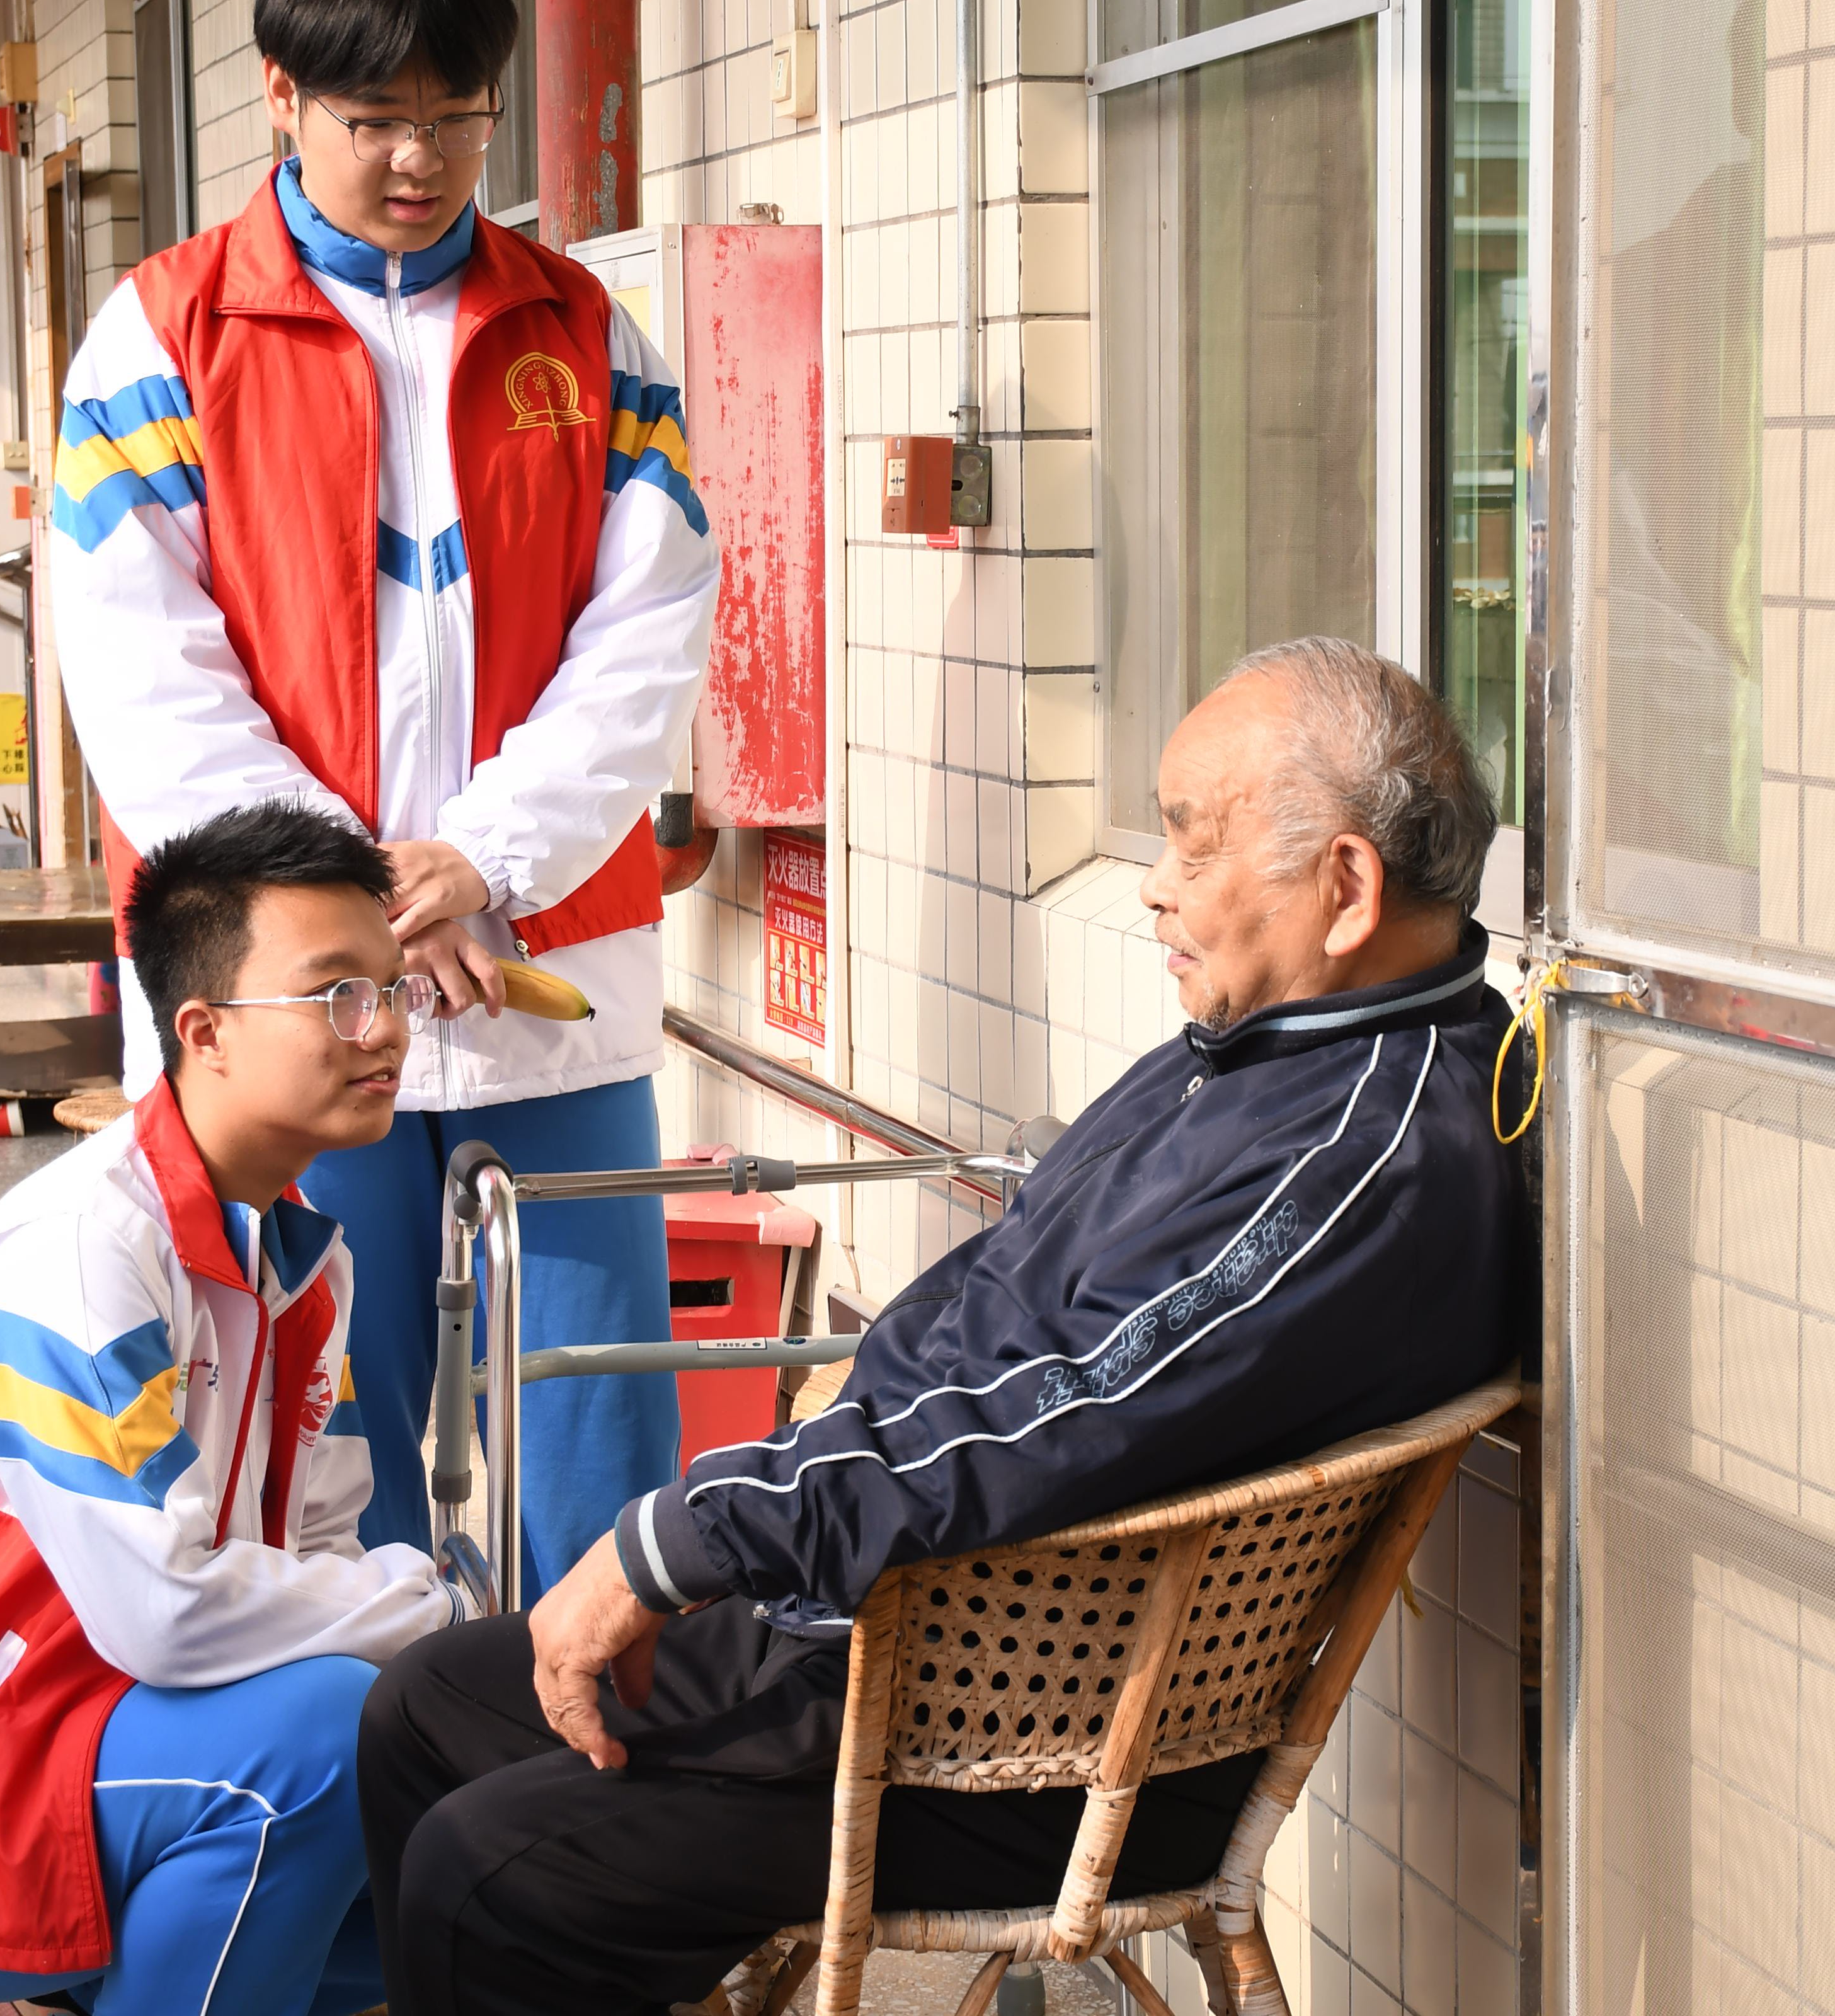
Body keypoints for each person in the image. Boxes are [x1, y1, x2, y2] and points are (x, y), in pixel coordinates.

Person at [355, 641, 1534, 2015]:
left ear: (1346, 888)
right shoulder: (1289, 1049)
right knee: (428, 1706)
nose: (1153, 883)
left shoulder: (1352, 1155)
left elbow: (1057, 1408)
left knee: (488, 1875)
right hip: (917, 1636)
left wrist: (686, 1534)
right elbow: (1000, 1334)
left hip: (1022, 1737)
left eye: (1192, 842)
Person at [45, 0, 721, 1589]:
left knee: (595, 1416)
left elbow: (649, 632)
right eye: (376, 120)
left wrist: (486, 856)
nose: (420, 159)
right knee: (319, 1431)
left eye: (457, 119)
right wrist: (359, 902)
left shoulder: (587, 331)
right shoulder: (163, 335)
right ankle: (365, 1736)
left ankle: (592, 1732)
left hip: (544, 968)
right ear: (281, 97)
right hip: (289, 989)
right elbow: (142, 665)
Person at [0, 799, 471, 2016]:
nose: (386, 1027)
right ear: (205, 1031)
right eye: (338, 995)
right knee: (324, 1740)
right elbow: (168, 1614)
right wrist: (451, 1607)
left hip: (111, 1725)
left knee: (469, 1858)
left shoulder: (301, 1254)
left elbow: (323, 1538)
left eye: (393, 990)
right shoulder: (77, 1254)